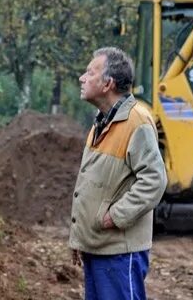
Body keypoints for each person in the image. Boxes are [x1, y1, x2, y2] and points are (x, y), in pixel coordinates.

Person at [69, 47, 167, 300]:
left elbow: (154, 181)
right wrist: (81, 240)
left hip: (119, 252)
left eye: (90, 72)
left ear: (107, 83)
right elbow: (94, 184)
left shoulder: (137, 122)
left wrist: (116, 216)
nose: (82, 77)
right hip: (99, 247)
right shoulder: (102, 122)